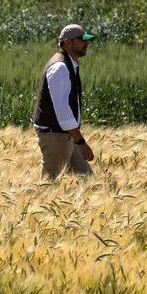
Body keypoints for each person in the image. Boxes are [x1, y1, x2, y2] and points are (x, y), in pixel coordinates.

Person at [31, 24, 96, 179]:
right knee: (48, 185)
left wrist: (76, 138)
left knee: (89, 182)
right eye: (81, 40)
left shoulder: (70, 64)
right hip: (55, 136)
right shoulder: (60, 67)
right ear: (67, 43)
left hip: (68, 135)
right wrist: (80, 141)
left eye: (87, 40)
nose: (86, 43)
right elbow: (62, 109)